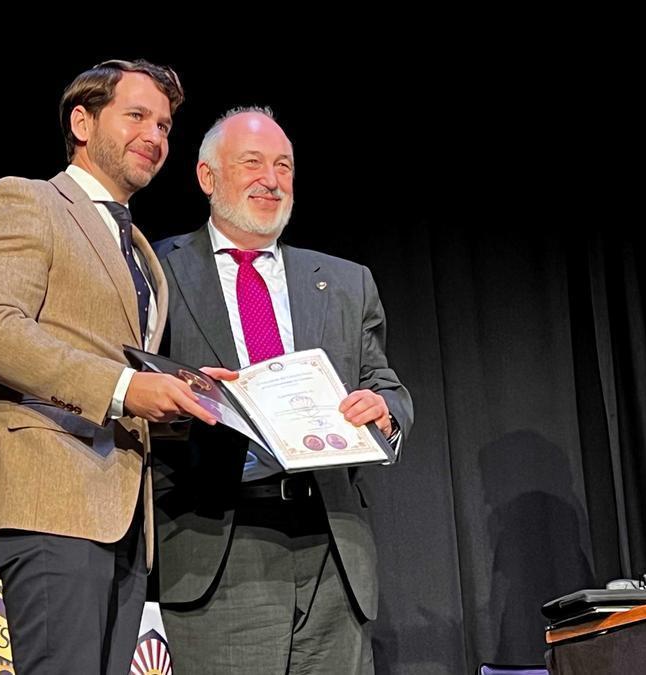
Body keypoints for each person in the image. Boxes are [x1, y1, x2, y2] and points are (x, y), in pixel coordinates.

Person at [0, 59, 216, 674]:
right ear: (82, 120)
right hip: (52, 498)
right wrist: (126, 388)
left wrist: (192, 390)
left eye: (165, 125)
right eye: (136, 116)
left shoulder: (142, 250)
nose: (155, 136)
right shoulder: (28, 199)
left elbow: (110, 352)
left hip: (125, 516)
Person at [152, 107, 414, 673]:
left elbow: (386, 386)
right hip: (219, 541)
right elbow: (130, 387)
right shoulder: (156, 271)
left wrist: (385, 410)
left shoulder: (345, 281)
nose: (271, 180)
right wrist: (183, 395)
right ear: (207, 177)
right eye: (252, 163)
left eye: (284, 166)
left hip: (332, 545)